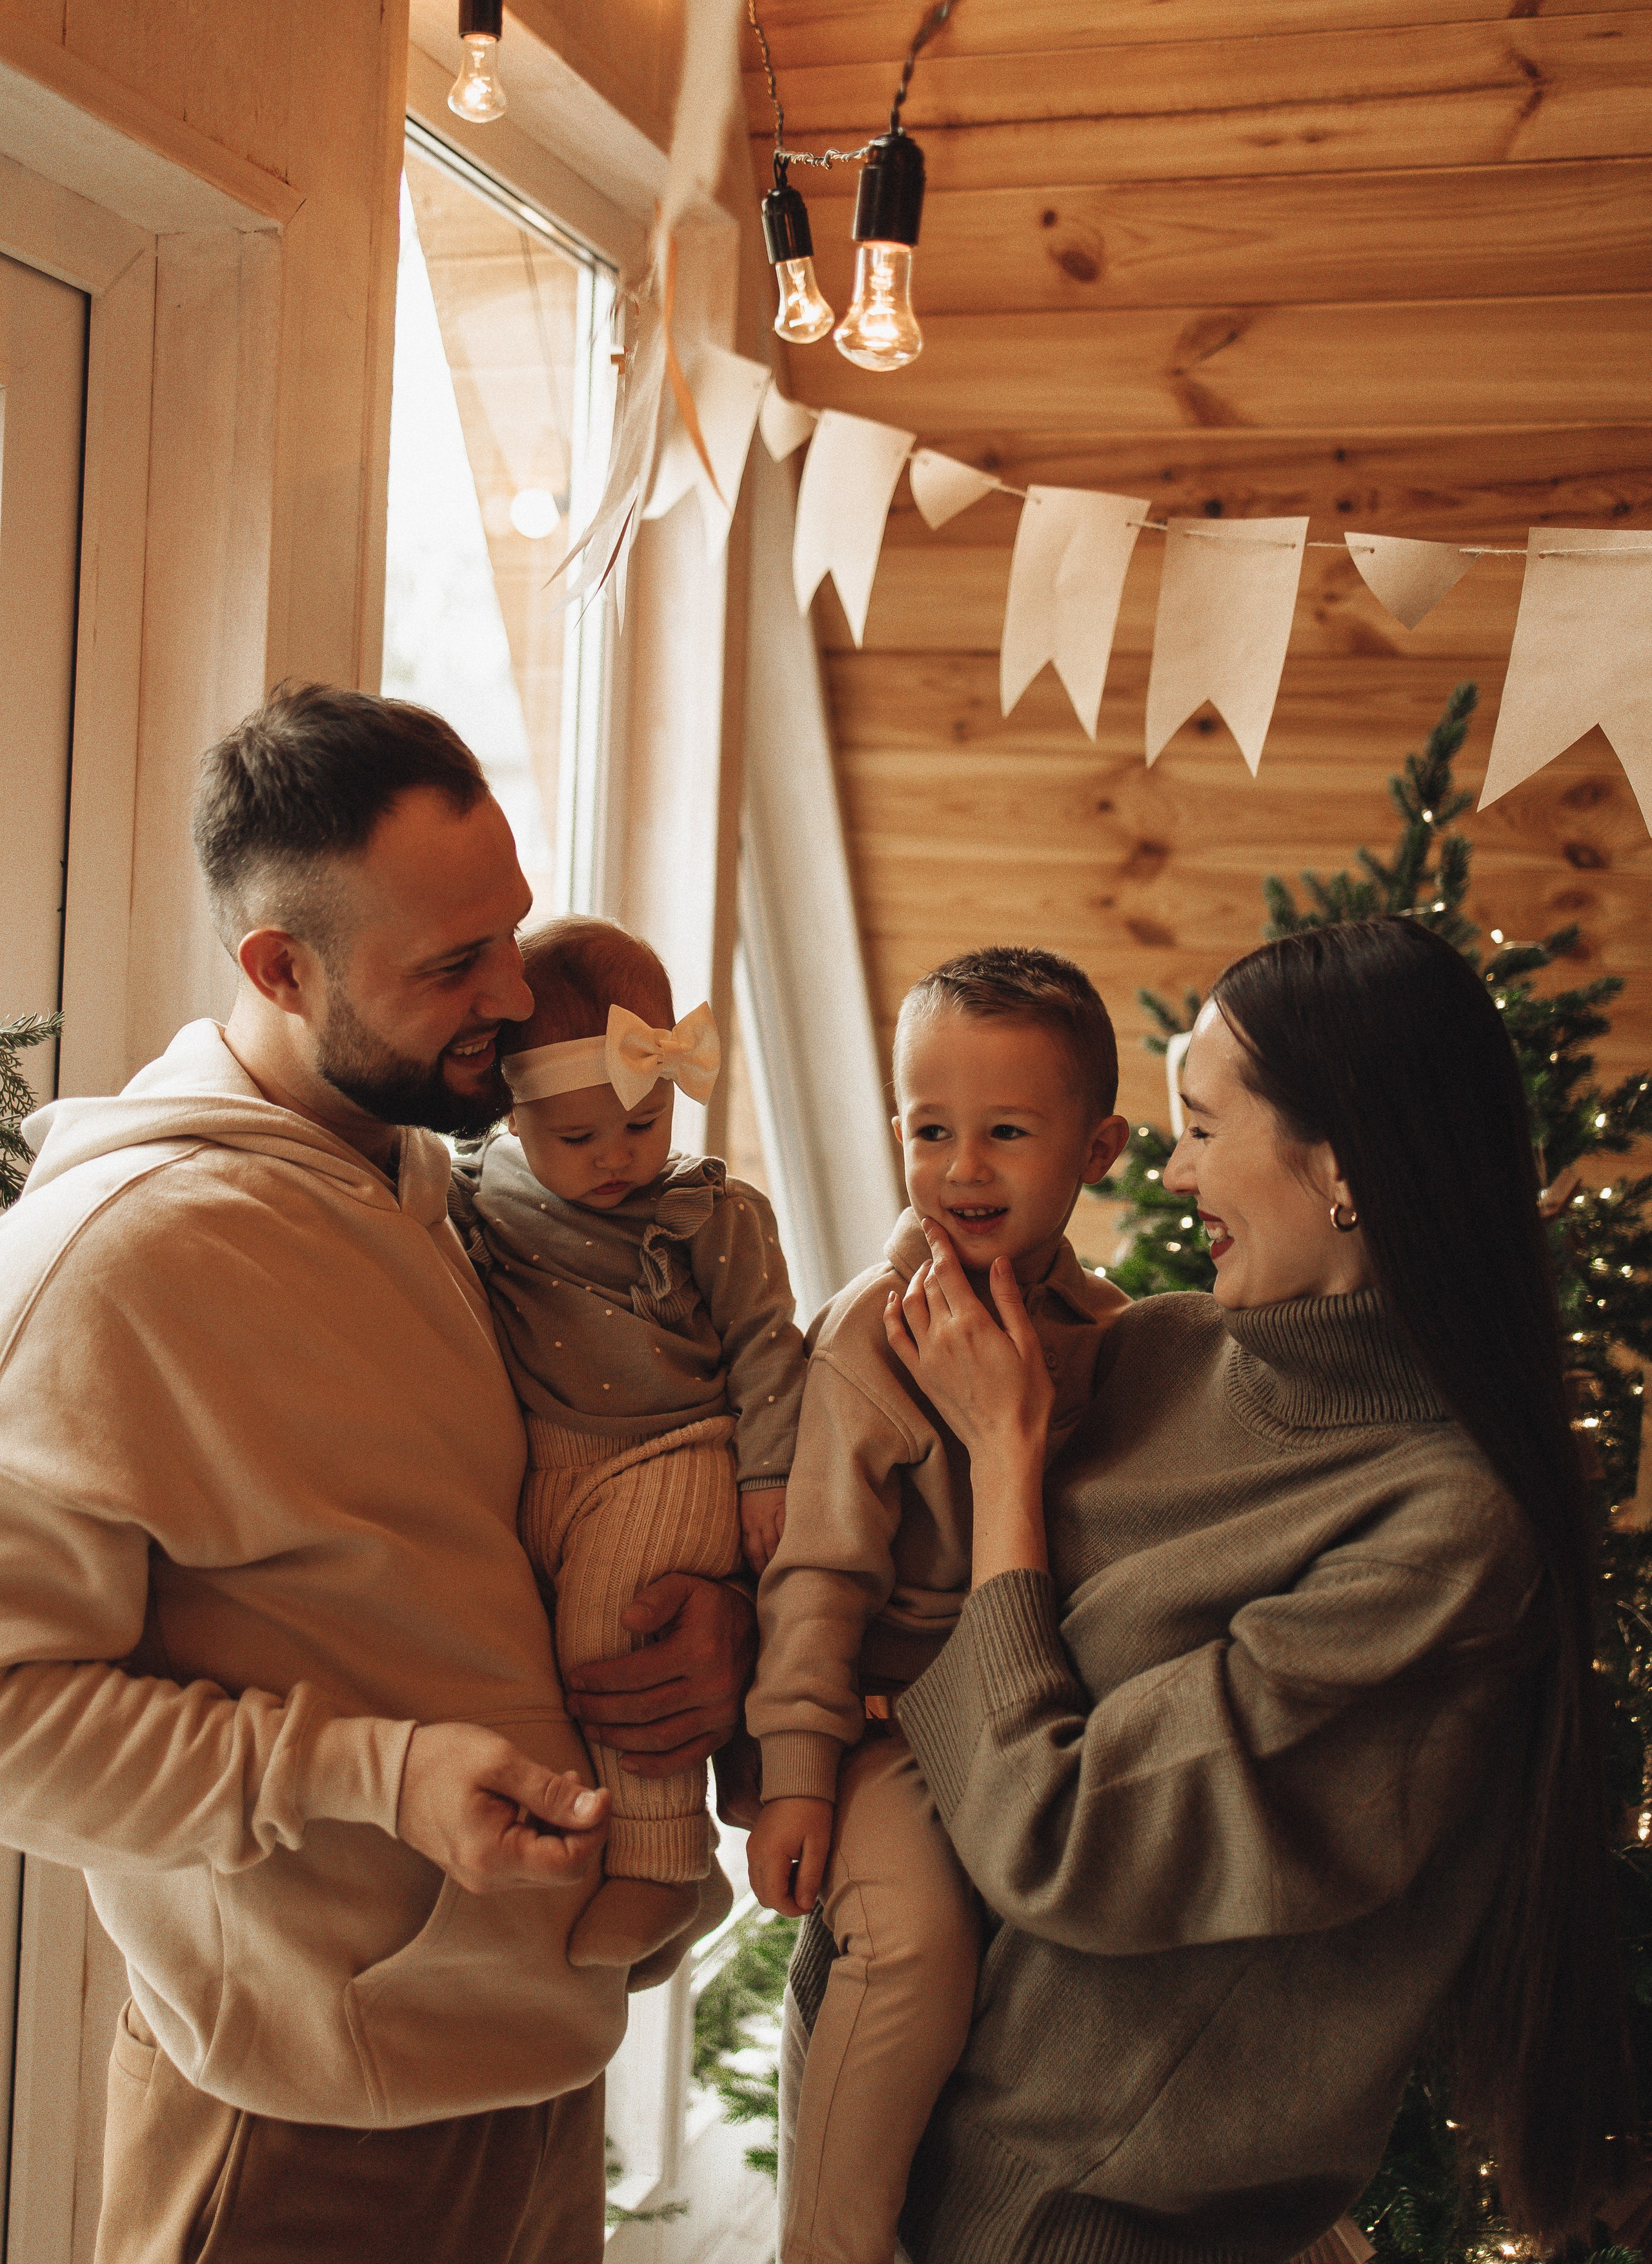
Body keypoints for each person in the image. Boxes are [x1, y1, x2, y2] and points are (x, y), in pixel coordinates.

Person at [0, 685, 753, 2264]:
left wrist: (709, 1624)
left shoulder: (435, 1174)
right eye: (450, 966)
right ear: (279, 967)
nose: (520, 994)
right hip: (301, 2130)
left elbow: (498, 1524)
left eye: (512, 933)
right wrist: (374, 1776)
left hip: (529, 2061)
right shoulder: (115, 1266)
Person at [829, 915, 1633, 2263]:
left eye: (1200, 1125)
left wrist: (1004, 1468)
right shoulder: (1161, 1351)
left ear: (1335, 1168)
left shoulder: (1443, 1536)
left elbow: (1063, 1839)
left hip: (1066, 2224)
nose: (1166, 1165)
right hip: (883, 2116)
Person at [746, 947, 1131, 2264]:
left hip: (1042, 1733)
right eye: (928, 1130)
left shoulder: (1120, 1335)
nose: (961, 1169)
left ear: (1098, 1149)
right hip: (891, 1735)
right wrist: (796, 1774)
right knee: (907, 1947)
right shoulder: (870, 1338)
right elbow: (814, 1577)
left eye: (1006, 1134)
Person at [448, 915, 805, 1971]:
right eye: (576, 1139)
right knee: (542, 1664)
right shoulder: (475, 1190)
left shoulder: (707, 1212)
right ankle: (676, 1829)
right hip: (549, 1467)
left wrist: (770, 1474)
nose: (616, 1159)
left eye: (645, 1124)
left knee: (616, 1639)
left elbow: (769, 1346)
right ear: (512, 1113)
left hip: (675, 1453)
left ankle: (664, 1866)